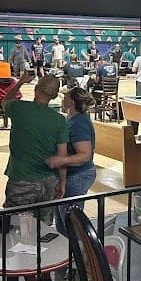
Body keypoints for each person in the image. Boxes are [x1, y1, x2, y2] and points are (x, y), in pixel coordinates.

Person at [2, 72, 68, 281]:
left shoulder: (19, 110)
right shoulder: (59, 120)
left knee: (22, 233)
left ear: (36, 90)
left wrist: (19, 81)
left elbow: (5, 99)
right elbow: (61, 155)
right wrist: (62, 182)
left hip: (22, 181)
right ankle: (45, 276)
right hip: (48, 183)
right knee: (43, 231)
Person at [45, 87, 96, 235]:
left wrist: (61, 160)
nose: (62, 99)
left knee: (71, 224)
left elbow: (84, 154)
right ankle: (67, 252)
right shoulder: (71, 119)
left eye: (65, 96)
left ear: (72, 101)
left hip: (78, 175)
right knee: (62, 223)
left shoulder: (79, 122)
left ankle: (77, 254)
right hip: (69, 175)